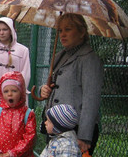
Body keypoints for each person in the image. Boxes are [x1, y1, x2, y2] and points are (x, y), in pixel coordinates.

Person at [39, 13, 104, 156]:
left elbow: (91, 99)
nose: (62, 34)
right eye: (60, 30)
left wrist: (85, 135)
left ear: (81, 32)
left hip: (76, 129)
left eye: (68, 29)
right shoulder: (60, 56)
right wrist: (43, 90)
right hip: (56, 126)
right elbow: (57, 86)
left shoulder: (89, 59)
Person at [0, 17, 31, 118]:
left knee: (16, 127)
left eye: (5, 29)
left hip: (17, 98)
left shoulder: (23, 50)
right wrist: (0, 88)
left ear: (11, 31)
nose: (1, 33)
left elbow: (25, 73)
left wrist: (14, 91)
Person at [0, 71, 36, 157]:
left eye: (14, 91)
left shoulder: (27, 114)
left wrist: (14, 152)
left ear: (21, 92)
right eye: (6, 91)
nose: (10, 94)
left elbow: (29, 137)